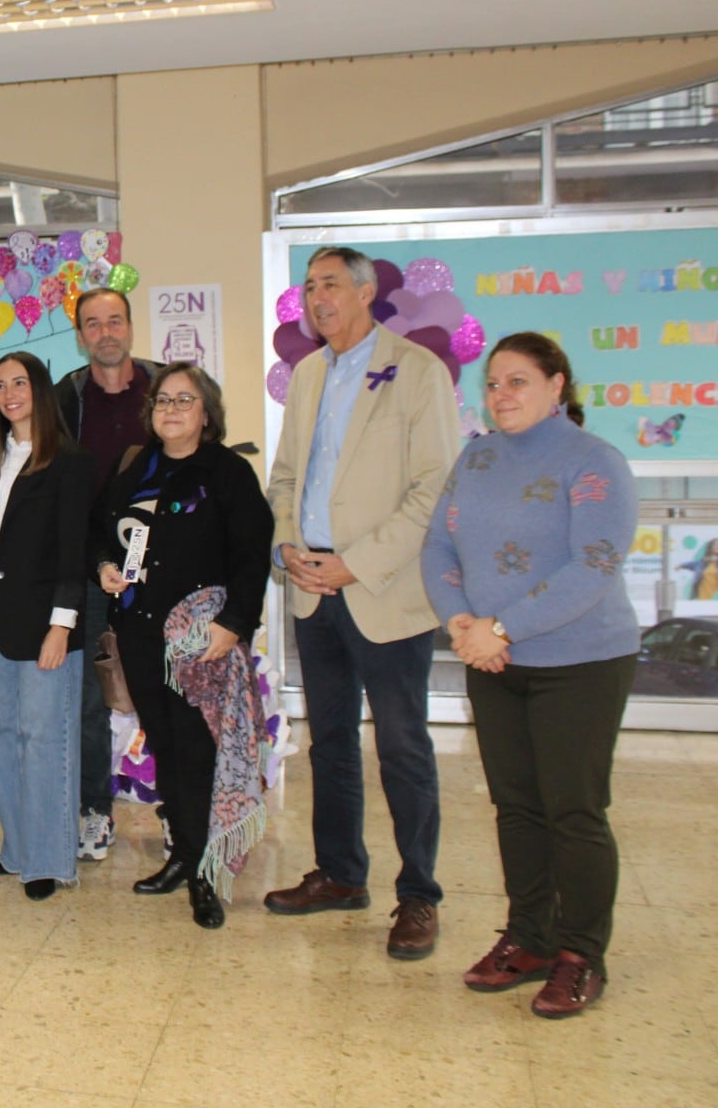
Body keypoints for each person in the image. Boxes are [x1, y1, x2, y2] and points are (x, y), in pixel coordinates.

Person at [422, 333, 640, 1019]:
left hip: (580, 662)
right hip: (493, 659)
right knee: (516, 807)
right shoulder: (477, 455)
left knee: (573, 811)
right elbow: (437, 545)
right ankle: (530, 939)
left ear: (556, 386)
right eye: (492, 383)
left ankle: (580, 955)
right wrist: (462, 624)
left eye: (517, 381)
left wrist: (502, 627)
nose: (501, 395)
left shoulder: (594, 461)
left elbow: (594, 566)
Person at [263, 245, 460, 961]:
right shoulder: (309, 374)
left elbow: (434, 489)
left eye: (331, 284)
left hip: (383, 589)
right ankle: (343, 874)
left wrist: (357, 563)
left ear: (367, 291)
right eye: (309, 286)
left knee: (404, 746)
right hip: (313, 590)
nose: (318, 297)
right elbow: (286, 477)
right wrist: (286, 545)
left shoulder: (416, 371)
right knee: (331, 743)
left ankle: (419, 896)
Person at [94, 363, 272, 928]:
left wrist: (235, 622)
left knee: (198, 754)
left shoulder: (228, 472)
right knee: (167, 749)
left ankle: (205, 875)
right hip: (142, 635)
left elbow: (252, 552)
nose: (170, 410)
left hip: (202, 641)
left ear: (206, 414)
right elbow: (102, 527)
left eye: (184, 400)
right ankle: (183, 855)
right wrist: (102, 565)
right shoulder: (136, 468)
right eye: (163, 401)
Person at [0, 351, 91, 901]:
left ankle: (49, 859)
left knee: (44, 735)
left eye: (19, 383)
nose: (8, 393)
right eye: (0, 385)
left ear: (40, 390)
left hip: (46, 609)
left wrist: (62, 625)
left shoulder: (67, 460)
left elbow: (75, 551)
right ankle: (19, 847)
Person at [53, 287, 159, 864]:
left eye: (114, 321)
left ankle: (178, 811)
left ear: (131, 327)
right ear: (80, 335)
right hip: (91, 569)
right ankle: (96, 809)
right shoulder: (66, 398)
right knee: (91, 700)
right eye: (92, 324)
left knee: (169, 691)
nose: (105, 333)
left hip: (164, 573)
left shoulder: (168, 388)